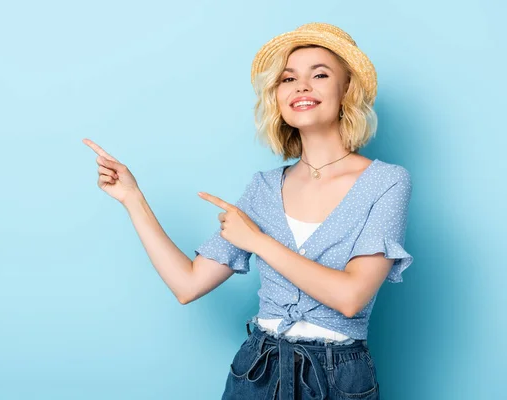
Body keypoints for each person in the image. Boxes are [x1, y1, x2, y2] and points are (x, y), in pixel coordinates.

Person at [83, 22, 413, 400]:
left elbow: (351, 297)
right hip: (257, 369)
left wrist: (256, 241)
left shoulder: (387, 181)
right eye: (288, 79)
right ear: (277, 96)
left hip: (337, 374)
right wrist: (132, 198)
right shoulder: (263, 188)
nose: (301, 87)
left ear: (347, 89)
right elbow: (187, 285)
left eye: (319, 74)